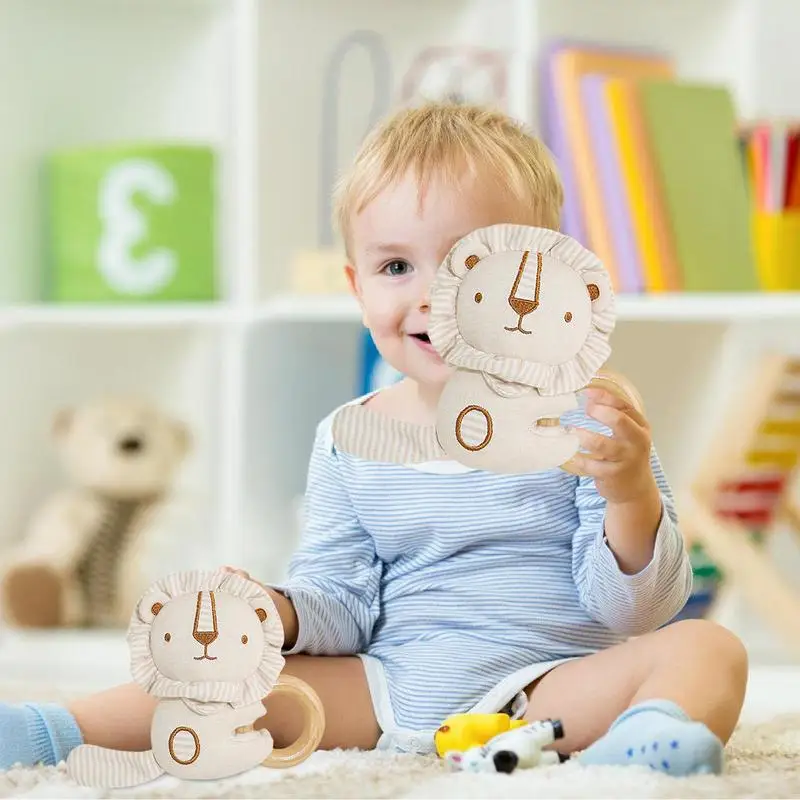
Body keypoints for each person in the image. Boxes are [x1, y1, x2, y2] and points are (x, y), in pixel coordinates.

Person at [0, 101, 747, 777]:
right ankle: (50, 730)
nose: (430, 295)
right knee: (225, 672)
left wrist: (629, 493)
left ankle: (647, 740)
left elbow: (636, 614)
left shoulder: (591, 420)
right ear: (359, 290)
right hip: (387, 683)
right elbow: (343, 601)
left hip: (549, 691)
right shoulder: (350, 437)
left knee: (706, 648)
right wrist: (279, 612)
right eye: (396, 266)